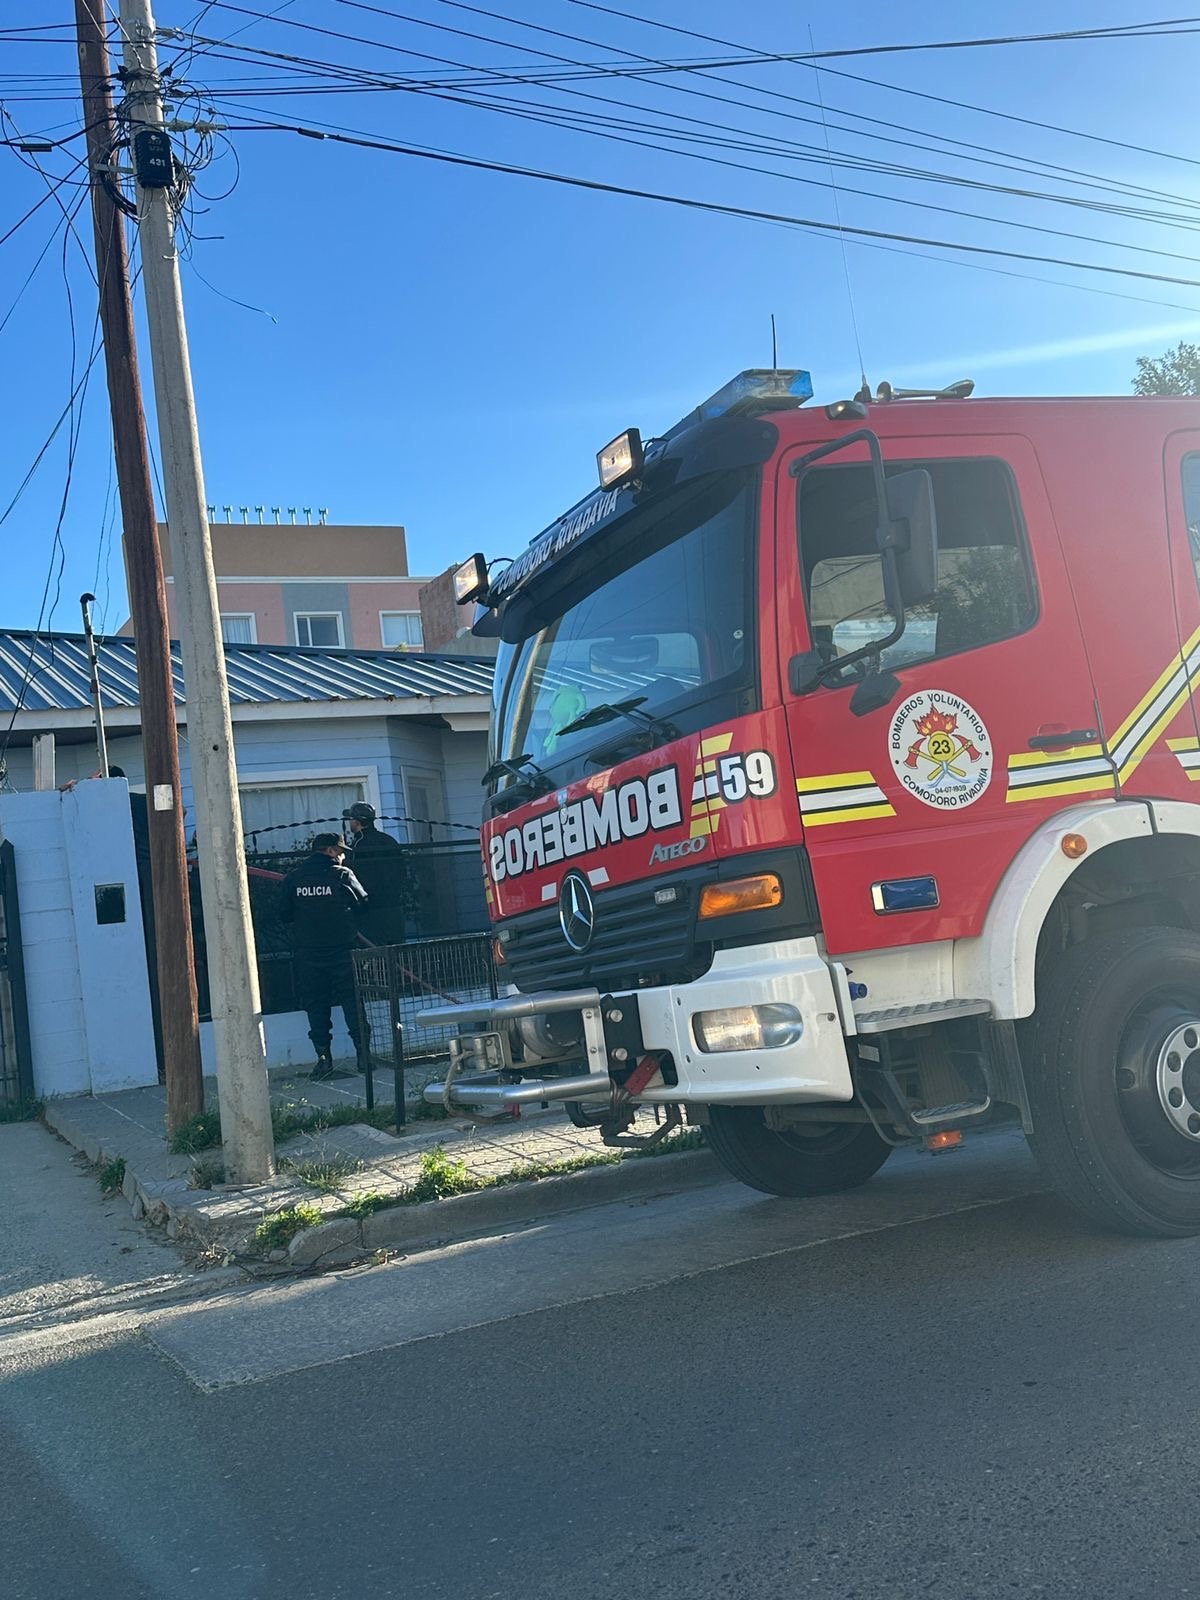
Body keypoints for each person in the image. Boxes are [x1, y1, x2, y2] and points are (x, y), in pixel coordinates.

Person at [279, 832, 370, 1080]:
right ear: (330, 851)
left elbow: (284, 914)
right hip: (343, 950)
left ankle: (323, 1060)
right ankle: (364, 1058)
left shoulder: (294, 878)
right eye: (341, 852)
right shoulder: (342, 875)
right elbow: (364, 903)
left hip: (308, 953)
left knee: (316, 1007)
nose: (342, 857)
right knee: (353, 1003)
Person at [341, 801, 406, 944]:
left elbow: (351, 876)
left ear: (357, 822)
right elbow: (401, 871)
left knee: (373, 955)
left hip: (371, 911)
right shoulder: (389, 841)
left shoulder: (359, 845)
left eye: (351, 819)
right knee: (396, 951)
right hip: (394, 907)